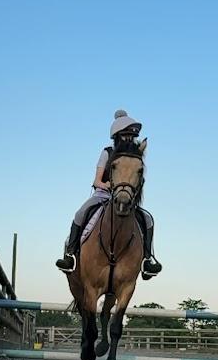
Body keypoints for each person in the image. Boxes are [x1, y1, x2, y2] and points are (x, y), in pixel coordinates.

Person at [55, 109, 162, 280]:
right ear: (117, 136)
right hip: (104, 194)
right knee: (81, 213)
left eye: (131, 136)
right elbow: (97, 180)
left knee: (148, 219)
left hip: (127, 197)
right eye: (125, 135)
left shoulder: (135, 155)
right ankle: (71, 255)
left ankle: (147, 260)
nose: (128, 139)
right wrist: (110, 187)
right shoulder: (107, 153)